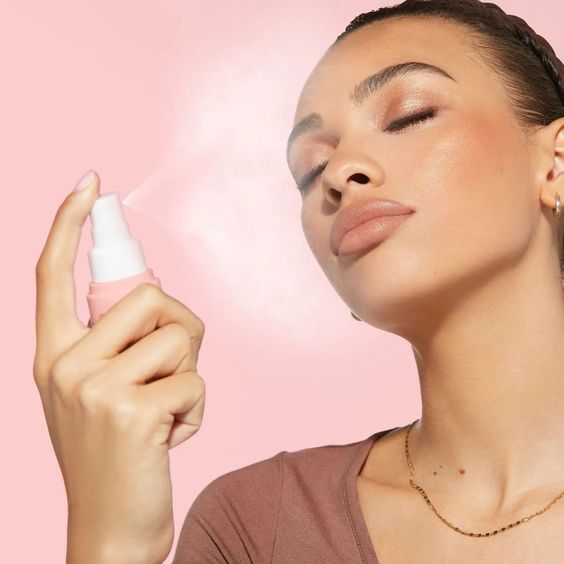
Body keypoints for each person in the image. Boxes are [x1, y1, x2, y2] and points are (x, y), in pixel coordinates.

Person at [33, 0, 564, 562]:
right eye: (311, 170)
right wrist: (110, 538)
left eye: (409, 115)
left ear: (554, 163)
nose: (338, 173)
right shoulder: (256, 526)